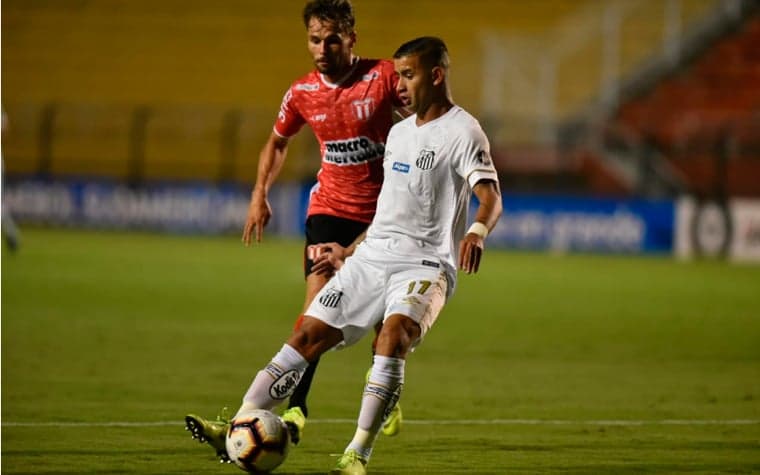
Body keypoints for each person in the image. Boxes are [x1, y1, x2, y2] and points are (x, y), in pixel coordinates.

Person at [221, 36, 503, 475]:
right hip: (372, 257)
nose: (400, 85)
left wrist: (478, 232)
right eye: (398, 75)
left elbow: (491, 197)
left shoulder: (463, 131)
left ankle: (357, 454)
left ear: (436, 75)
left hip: (426, 264)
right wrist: (348, 252)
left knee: (393, 338)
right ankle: (238, 426)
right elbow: (388, 211)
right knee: (305, 337)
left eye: (408, 75)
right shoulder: (397, 133)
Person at [185, 0, 406, 461]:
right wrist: (258, 193)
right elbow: (277, 142)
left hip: (381, 218)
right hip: (328, 212)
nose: (321, 48)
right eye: (313, 39)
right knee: (314, 316)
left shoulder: (383, 77)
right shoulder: (302, 91)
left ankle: (385, 389)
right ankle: (290, 412)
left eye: (331, 39)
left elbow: (425, 116)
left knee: (389, 320)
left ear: (351, 38)